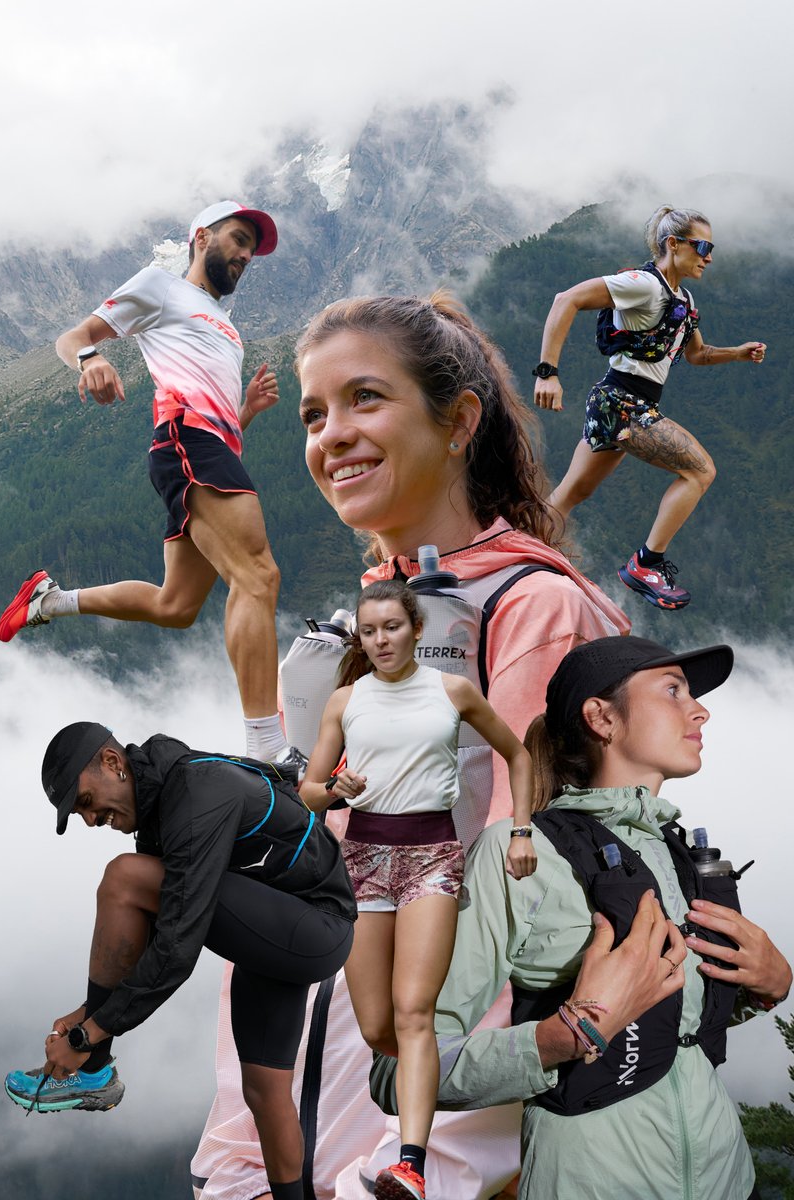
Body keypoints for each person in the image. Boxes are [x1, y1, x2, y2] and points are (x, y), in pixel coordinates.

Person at [191, 292, 631, 1200]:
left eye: (365, 399)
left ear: (460, 420)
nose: (331, 435)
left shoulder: (535, 612)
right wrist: (234, 1169)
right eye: (314, 414)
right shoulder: (371, 624)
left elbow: (532, 933)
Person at [368, 635, 792, 1200]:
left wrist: (766, 988)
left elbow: (670, 1022)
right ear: (602, 718)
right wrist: (560, 1037)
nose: (700, 709)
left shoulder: (678, 854)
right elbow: (396, 1073)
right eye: (673, 690)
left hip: (729, 1179)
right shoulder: (518, 856)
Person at [0, 200, 299, 767]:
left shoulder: (227, 328)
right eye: (237, 239)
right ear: (201, 237)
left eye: (250, 252)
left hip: (208, 446)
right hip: (187, 443)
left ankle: (50, 602)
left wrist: (246, 412)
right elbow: (75, 335)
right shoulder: (160, 287)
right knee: (258, 577)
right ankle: (270, 749)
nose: (242, 255)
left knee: (176, 605)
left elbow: (219, 418)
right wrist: (89, 359)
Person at [4, 721, 356, 1200]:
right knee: (263, 1092)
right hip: (272, 928)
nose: (89, 820)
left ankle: (93, 1069)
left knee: (125, 877)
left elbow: (176, 947)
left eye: (85, 802)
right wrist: (87, 1015)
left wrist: (91, 1033)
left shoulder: (195, 794)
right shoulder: (158, 807)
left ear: (112, 763)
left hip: (315, 925)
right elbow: (148, 937)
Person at [300, 579, 536, 1200]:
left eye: (392, 627)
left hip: (433, 856)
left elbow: (519, 755)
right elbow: (309, 792)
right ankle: (445, 1086)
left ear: (416, 630)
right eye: (369, 630)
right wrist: (336, 793)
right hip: (363, 860)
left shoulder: (452, 691)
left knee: (414, 1014)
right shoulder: (345, 702)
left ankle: (411, 1162)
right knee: (380, 1027)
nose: (381, 640)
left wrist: (520, 832)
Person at [533, 205, 767, 610]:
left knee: (572, 493)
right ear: (672, 244)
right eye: (702, 246)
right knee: (700, 470)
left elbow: (697, 354)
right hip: (624, 402)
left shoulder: (684, 300)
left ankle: (514, 551)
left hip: (616, 402)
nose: (708, 256)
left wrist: (738, 353)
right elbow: (565, 299)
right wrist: (547, 372)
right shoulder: (643, 284)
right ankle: (646, 564)